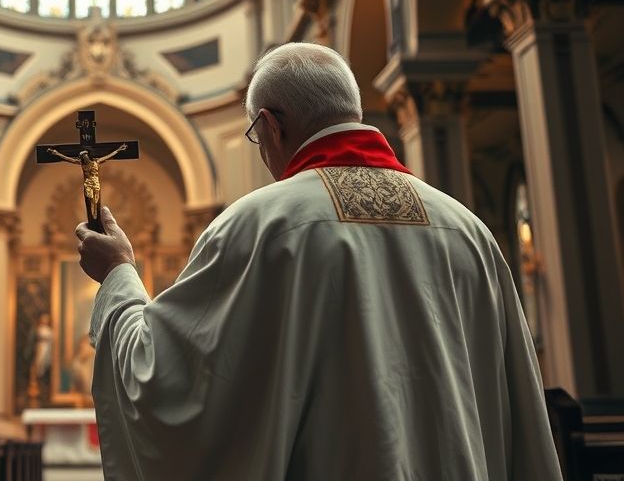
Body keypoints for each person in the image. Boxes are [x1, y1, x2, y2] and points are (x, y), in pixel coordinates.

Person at [74, 42, 560, 480]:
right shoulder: (468, 231)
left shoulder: (259, 226)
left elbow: (165, 385)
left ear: (269, 125)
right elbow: (519, 417)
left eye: (255, 135)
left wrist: (118, 273)